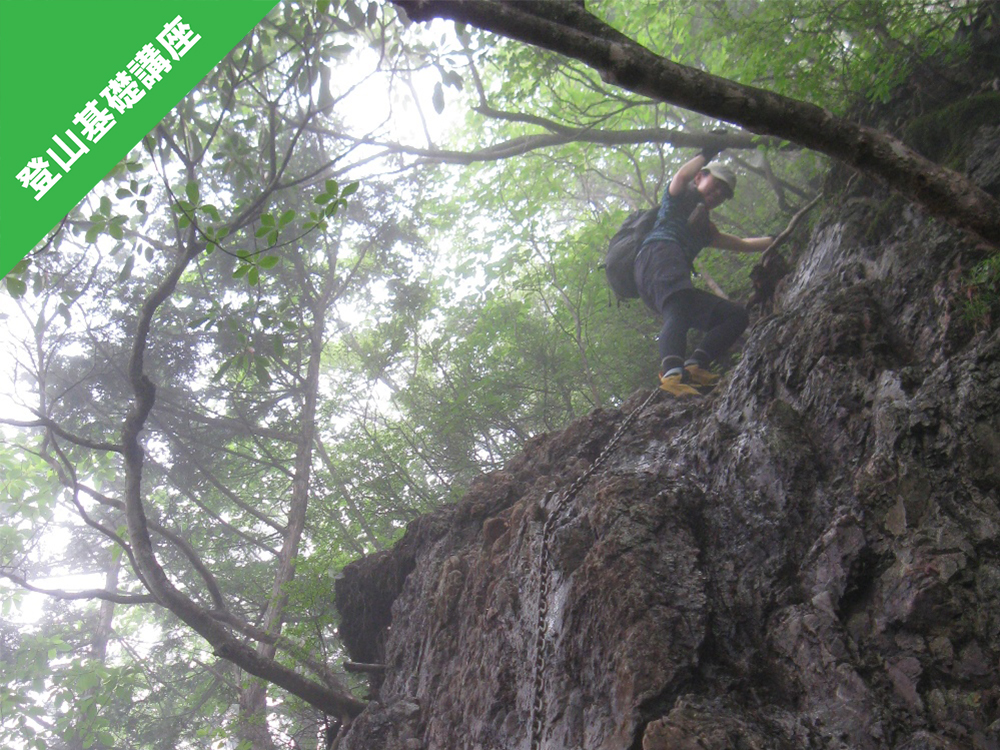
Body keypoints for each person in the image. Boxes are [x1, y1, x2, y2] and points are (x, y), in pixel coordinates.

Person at [634, 146, 773, 397]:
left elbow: (741, 244)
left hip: (667, 272)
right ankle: (672, 375)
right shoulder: (680, 200)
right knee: (678, 306)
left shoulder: (705, 228)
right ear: (700, 177)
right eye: (716, 184)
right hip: (658, 256)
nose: (718, 193)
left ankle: (696, 366)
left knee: (735, 316)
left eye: (724, 193)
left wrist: (775, 240)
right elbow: (680, 177)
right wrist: (707, 153)